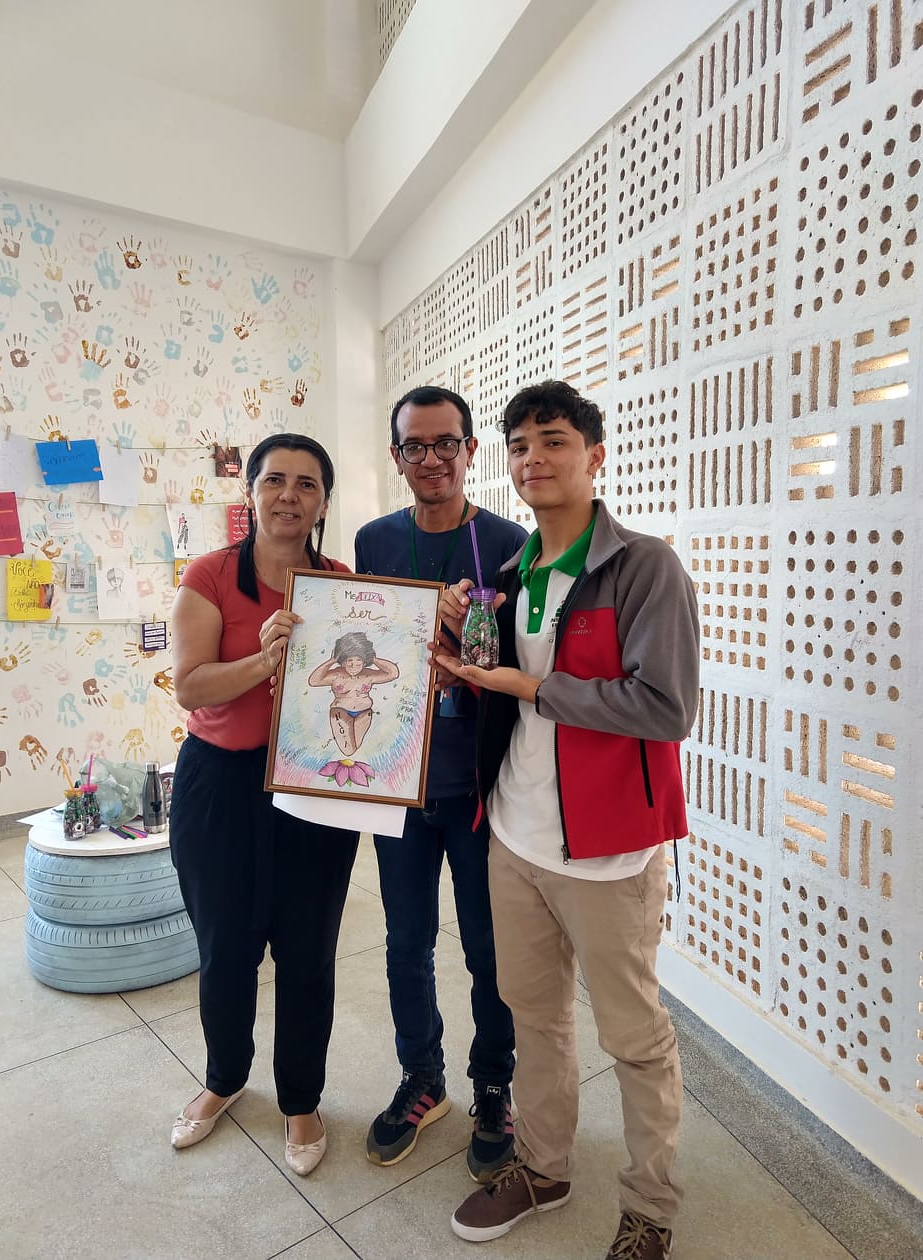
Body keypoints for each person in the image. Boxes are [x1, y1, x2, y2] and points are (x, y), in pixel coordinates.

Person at [435, 381, 700, 1260]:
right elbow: (501, 700)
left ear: (595, 455)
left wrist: (533, 685)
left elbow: (664, 708)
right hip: (515, 837)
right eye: (518, 445)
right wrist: (459, 656)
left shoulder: (644, 567)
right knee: (533, 1015)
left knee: (634, 1037)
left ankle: (650, 1206)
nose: (533, 459)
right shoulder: (513, 577)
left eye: (552, 440)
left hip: (610, 854)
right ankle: (544, 1168)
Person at [168, 433, 359, 1177]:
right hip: (221, 785)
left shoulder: (342, 585)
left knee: (309, 951)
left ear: (323, 501)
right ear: (249, 492)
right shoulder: (211, 575)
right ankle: (223, 1078)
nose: (289, 496)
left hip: (315, 790)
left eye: (307, 484)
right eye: (275, 480)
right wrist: (263, 659)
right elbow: (190, 686)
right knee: (226, 948)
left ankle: (302, 1099)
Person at [354, 386, 527, 1181]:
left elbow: (524, 666)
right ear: (397, 457)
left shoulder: (510, 543)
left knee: (490, 951)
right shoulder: (374, 541)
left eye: (445, 443)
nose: (431, 459)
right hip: (398, 783)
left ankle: (493, 1085)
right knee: (406, 943)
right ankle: (422, 1078)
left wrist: (470, 648)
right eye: (415, 446)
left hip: (478, 787)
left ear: (470, 450)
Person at [308, 630, 399, 758]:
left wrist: (374, 659)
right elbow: (313, 681)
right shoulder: (336, 675)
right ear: (343, 661)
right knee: (348, 751)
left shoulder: (368, 674)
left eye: (358, 661)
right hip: (340, 712)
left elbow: (393, 673)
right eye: (349, 660)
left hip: (364, 713)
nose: (354, 665)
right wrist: (331, 661)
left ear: (364, 662)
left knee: (356, 747)